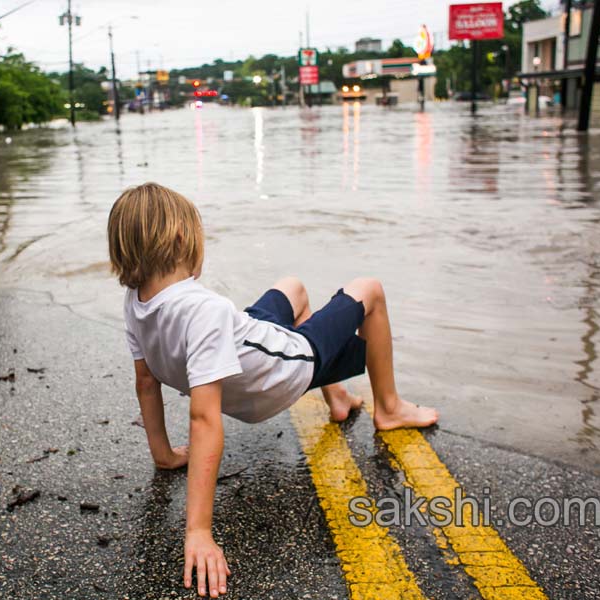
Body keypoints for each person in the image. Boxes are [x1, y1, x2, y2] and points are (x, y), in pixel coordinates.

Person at [106, 182, 438, 598]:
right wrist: (199, 531)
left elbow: (146, 382)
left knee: (294, 288)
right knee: (369, 289)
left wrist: (165, 454)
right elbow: (205, 418)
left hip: (249, 346)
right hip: (284, 367)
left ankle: (337, 397)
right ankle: (389, 408)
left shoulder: (136, 304)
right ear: (179, 240)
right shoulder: (204, 311)